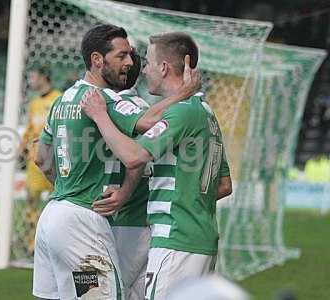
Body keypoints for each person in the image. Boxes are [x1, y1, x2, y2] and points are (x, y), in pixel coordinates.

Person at [33, 24, 199, 300]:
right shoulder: (104, 98)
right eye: (121, 56)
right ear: (97, 60)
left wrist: (69, 186)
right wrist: (184, 93)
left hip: (53, 217)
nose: (130, 62)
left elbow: (41, 158)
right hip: (83, 224)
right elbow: (147, 123)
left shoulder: (62, 100)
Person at [81, 32, 232, 300]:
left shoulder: (182, 111)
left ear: (163, 68)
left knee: (92, 287)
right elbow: (223, 185)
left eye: (149, 63)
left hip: (175, 239)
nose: (145, 69)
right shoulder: (206, 113)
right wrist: (188, 197)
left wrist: (100, 116)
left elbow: (134, 156)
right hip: (200, 239)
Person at [109, 48, 151, 300]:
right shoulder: (145, 108)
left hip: (124, 222)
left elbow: (135, 161)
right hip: (147, 220)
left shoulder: (116, 110)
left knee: (100, 290)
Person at [19, 65, 61, 255]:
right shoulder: (35, 103)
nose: (31, 81)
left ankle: (54, 240)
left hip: (54, 161)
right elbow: (30, 128)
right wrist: (22, 146)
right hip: (34, 160)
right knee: (31, 200)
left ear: (44, 77)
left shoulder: (59, 99)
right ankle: (31, 242)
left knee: (58, 202)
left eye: (33, 77)